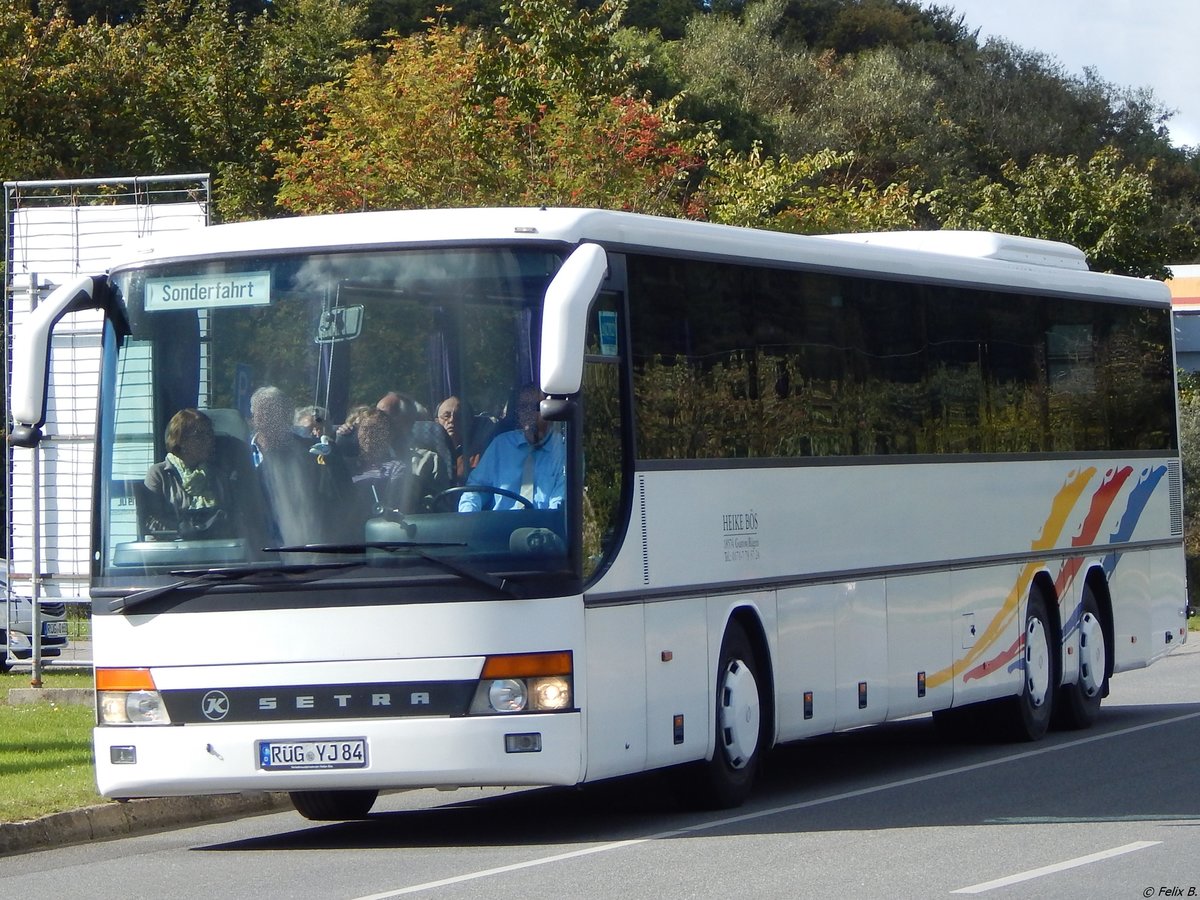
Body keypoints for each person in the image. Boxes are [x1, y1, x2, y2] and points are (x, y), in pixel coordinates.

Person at [249, 385, 353, 546]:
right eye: (263, 412)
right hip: (258, 554)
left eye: (276, 411)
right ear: (253, 417)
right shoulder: (239, 456)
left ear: (288, 415)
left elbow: (341, 500)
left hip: (310, 546)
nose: (269, 418)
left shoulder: (317, 453)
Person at [458, 384, 566, 512]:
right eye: (524, 407)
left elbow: (559, 505)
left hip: (544, 528)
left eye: (536, 407)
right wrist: (469, 519)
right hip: (499, 527)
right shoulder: (501, 445)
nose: (528, 413)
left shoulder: (564, 450)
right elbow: (476, 489)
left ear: (549, 411)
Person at [142, 409, 245, 539]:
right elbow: (150, 521)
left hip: (217, 552)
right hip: (172, 553)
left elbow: (233, 519)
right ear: (181, 440)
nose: (210, 440)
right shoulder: (159, 474)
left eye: (210, 434)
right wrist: (182, 531)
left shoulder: (219, 475)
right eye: (200, 435)